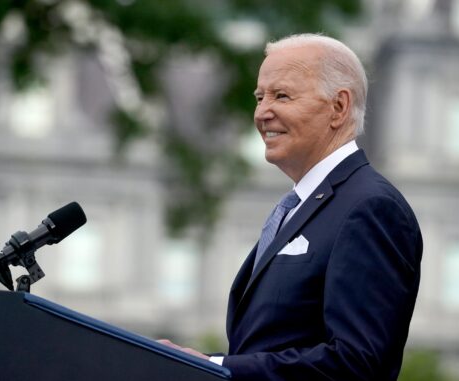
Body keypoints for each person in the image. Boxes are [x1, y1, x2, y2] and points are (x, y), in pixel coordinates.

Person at [158, 33, 423, 381]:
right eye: (259, 97)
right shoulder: (301, 206)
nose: (262, 113)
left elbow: (355, 364)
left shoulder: (370, 207)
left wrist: (218, 368)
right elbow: (266, 348)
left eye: (281, 96)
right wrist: (206, 364)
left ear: (338, 107)